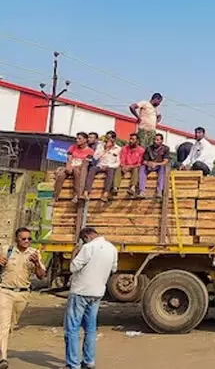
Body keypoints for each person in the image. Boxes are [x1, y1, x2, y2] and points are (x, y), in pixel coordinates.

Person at [64, 227, 117, 369]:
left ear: (86, 237)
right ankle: (89, 361)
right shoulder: (112, 248)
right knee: (91, 329)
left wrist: (74, 252)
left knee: (72, 329)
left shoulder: (88, 247)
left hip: (80, 292)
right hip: (97, 292)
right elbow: (113, 269)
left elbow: (73, 267)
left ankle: (73, 364)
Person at [0, 227, 46, 369]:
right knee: (3, 324)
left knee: (11, 325)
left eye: (29, 239)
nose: (27, 241)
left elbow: (41, 275)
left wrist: (37, 263)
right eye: (23, 238)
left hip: (22, 294)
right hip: (5, 291)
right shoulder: (7, 250)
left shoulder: (34, 253)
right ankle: (3, 357)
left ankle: (2, 346)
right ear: (17, 239)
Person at [53, 132, 95, 204]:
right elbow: (69, 159)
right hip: (71, 166)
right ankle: (55, 196)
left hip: (80, 168)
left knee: (77, 172)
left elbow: (86, 164)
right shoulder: (72, 147)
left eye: (79, 139)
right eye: (77, 138)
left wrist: (75, 167)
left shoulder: (90, 151)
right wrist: (68, 166)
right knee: (60, 175)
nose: (77, 140)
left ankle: (76, 195)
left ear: (85, 140)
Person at [84, 136, 121, 203]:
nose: (108, 141)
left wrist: (108, 166)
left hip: (110, 166)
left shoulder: (118, 149)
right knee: (92, 169)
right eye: (107, 140)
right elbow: (95, 157)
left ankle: (105, 194)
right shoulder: (100, 146)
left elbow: (118, 163)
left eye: (110, 140)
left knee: (111, 172)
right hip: (100, 165)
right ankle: (86, 192)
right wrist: (105, 149)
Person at [138, 133, 170, 199]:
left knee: (162, 168)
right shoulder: (149, 148)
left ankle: (159, 191)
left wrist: (156, 164)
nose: (155, 141)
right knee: (142, 167)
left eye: (158, 140)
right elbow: (144, 161)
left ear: (162, 141)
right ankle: (142, 191)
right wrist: (148, 163)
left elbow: (165, 161)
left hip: (159, 166)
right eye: (154, 140)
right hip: (149, 166)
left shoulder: (166, 148)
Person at [119, 133, 145, 197]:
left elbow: (139, 163)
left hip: (134, 167)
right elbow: (122, 160)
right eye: (130, 139)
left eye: (133, 139)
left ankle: (132, 188)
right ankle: (115, 188)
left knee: (136, 169)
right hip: (125, 167)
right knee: (118, 169)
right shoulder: (124, 148)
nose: (131, 141)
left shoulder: (141, 150)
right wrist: (123, 165)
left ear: (137, 141)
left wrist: (129, 166)